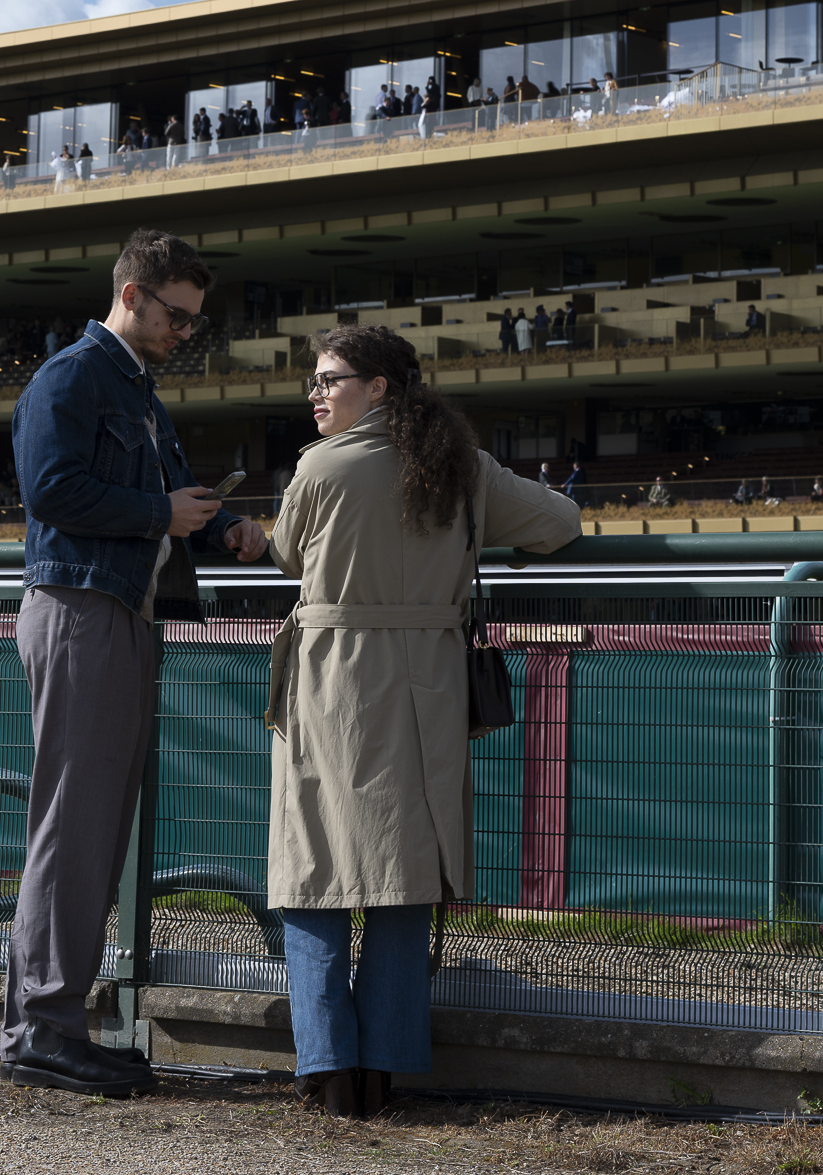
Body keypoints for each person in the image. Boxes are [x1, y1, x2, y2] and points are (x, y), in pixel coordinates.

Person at [266, 325, 579, 1116]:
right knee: (404, 879)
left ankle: (327, 1068)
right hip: (429, 684)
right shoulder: (460, 465)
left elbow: (286, 555)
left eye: (329, 379)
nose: (315, 393)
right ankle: (385, 1069)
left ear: (375, 388)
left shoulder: (321, 466)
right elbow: (558, 523)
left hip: (333, 682)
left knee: (313, 876)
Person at [0, 230, 268, 1095]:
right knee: (74, 828)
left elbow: (145, 506)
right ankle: (43, 1027)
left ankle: (49, 1023)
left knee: (90, 829)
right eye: (177, 317)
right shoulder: (72, 376)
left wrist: (215, 525)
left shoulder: (136, 390)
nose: (184, 333)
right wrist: (160, 508)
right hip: (82, 609)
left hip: (115, 610)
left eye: (192, 320)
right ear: (132, 294)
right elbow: (51, 490)